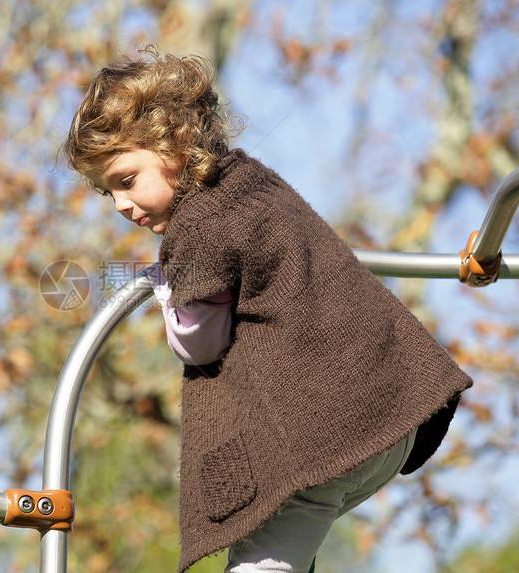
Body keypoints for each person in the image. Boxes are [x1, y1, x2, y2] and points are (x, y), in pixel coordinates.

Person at [63, 48, 473, 573]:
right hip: (388, 412)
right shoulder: (254, 183)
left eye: (125, 180)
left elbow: (198, 340)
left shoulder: (197, 228)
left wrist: (166, 291)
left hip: (319, 433)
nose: (121, 204)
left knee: (262, 558)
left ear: (177, 142)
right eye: (106, 192)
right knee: (288, 540)